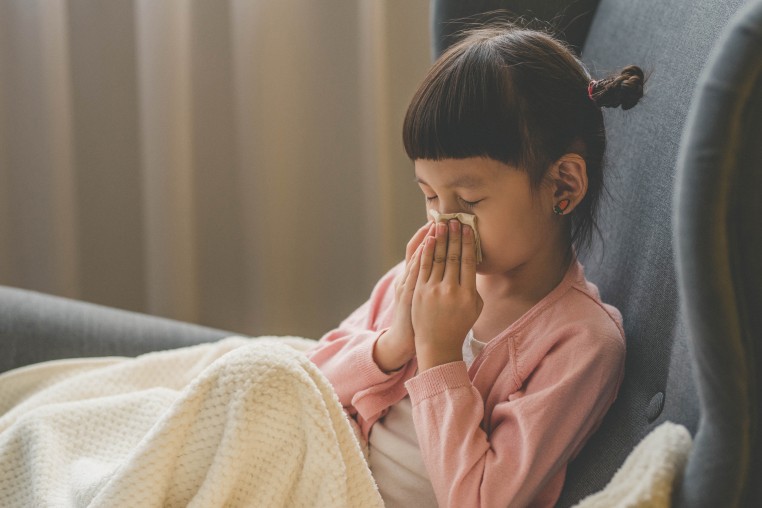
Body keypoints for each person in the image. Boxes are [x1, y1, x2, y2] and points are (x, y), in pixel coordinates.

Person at [308, 22, 644, 508]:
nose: (444, 222)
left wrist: (441, 354)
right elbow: (310, 379)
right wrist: (393, 344)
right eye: (428, 196)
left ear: (562, 186)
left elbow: (482, 499)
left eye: (468, 198)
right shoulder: (415, 282)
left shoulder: (580, 344)